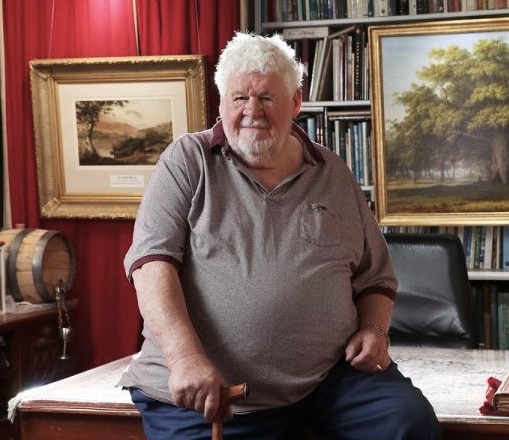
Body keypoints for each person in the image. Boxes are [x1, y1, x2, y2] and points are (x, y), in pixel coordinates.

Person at [119, 31, 442, 440]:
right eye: (239, 98)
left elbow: (374, 277)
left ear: (295, 104)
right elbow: (151, 265)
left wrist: (375, 331)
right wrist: (184, 357)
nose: (252, 110)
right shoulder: (188, 161)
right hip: (212, 391)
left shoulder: (333, 172)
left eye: (267, 98)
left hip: (329, 381)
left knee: (410, 424)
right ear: (222, 103)